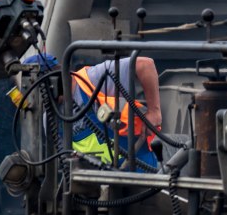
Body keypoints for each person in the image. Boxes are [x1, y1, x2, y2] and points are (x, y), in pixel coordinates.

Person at [24, 53, 162, 170]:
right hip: (99, 185)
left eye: (40, 92)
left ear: (53, 81)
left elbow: (145, 65)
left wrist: (154, 111)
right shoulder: (49, 118)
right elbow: (66, 163)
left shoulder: (92, 79)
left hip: (140, 170)